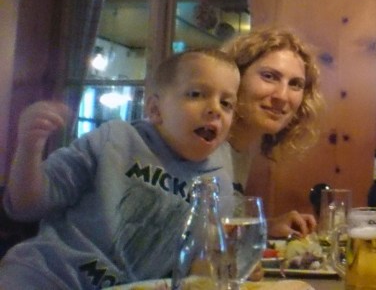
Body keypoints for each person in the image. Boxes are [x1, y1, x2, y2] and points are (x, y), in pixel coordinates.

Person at [0, 49, 241, 288]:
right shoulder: (114, 139)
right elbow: (25, 205)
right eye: (196, 94)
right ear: (155, 110)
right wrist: (30, 147)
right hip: (46, 276)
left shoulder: (218, 185)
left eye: (226, 103)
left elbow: (200, 264)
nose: (215, 109)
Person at [221, 27, 324, 239]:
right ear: (235, 76)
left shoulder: (241, 150)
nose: (282, 96)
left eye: (295, 84)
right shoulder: (202, 145)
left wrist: (266, 227)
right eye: (269, 76)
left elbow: (217, 230)